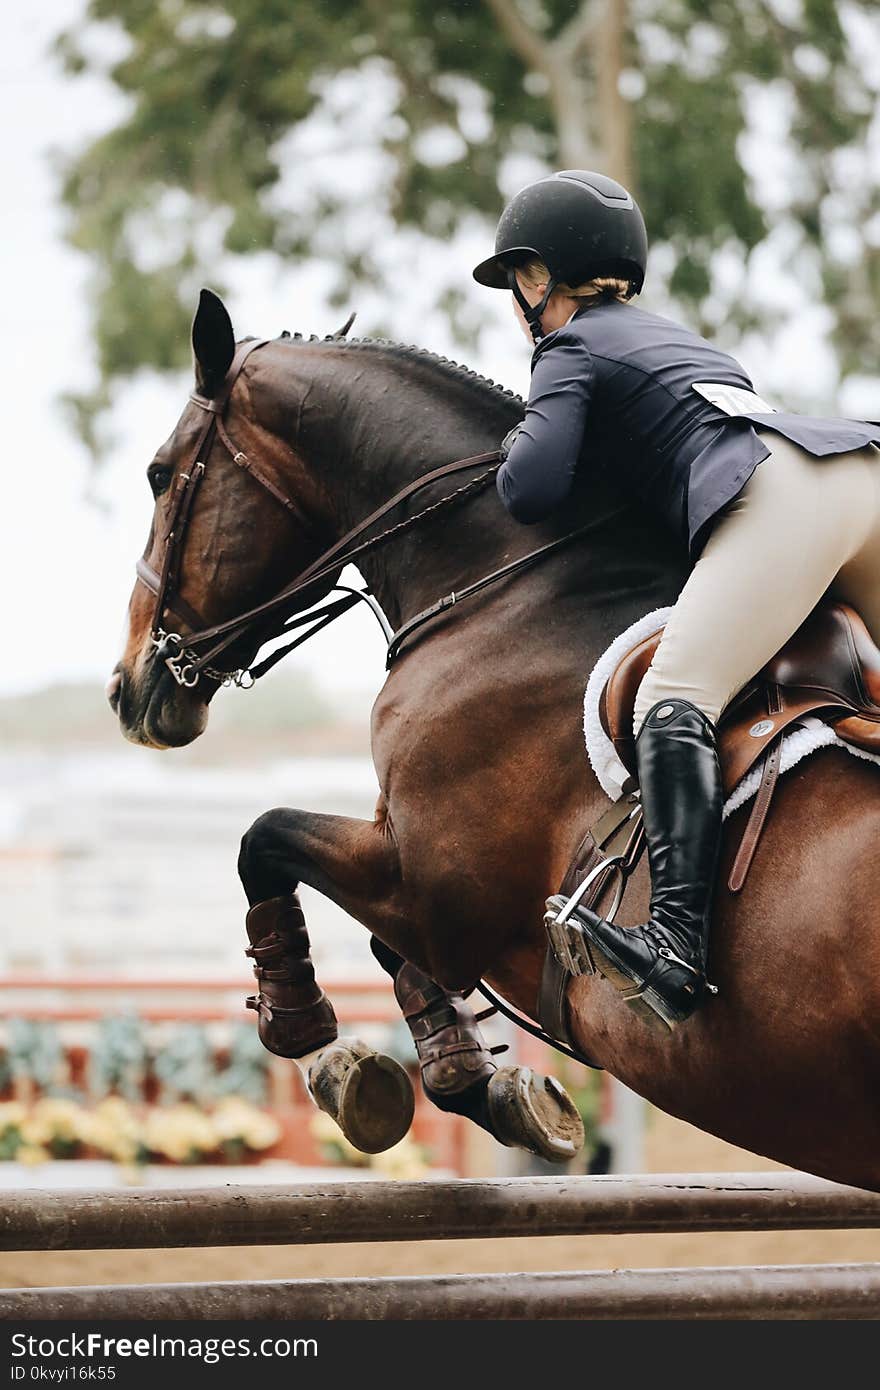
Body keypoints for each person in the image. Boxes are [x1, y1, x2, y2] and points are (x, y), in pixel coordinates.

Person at [472, 169, 880, 1029]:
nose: (518, 300)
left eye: (520, 279)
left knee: (675, 696)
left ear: (540, 278)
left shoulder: (571, 347)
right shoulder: (674, 340)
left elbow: (532, 485)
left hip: (786, 497)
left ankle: (674, 946)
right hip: (857, 472)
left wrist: (518, 432)